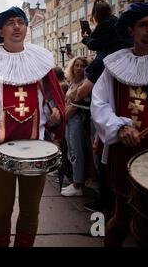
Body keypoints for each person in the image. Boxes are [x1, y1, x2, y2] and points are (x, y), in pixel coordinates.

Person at [0, 6, 65, 247]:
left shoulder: (40, 61)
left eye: (21, 21)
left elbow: (53, 98)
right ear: (0, 31)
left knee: (31, 208)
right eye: (10, 22)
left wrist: (55, 114)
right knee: (3, 206)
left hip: (36, 147)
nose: (17, 26)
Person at [91, 1, 148, 247]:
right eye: (143, 25)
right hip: (122, 153)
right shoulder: (113, 65)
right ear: (131, 30)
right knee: (122, 216)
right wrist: (120, 127)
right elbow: (99, 103)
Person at [77, 0, 131, 212]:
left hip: (109, 116)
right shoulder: (117, 32)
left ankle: (106, 201)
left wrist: (86, 37)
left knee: (102, 154)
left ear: (95, 16)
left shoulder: (105, 56)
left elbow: (85, 90)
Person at [60, 57, 89, 197]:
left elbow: (76, 107)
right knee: (71, 151)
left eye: (82, 66)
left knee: (77, 151)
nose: (79, 68)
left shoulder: (84, 83)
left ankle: (78, 184)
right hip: (69, 120)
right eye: (76, 65)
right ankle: (75, 182)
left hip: (76, 120)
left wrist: (63, 119)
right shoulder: (72, 82)